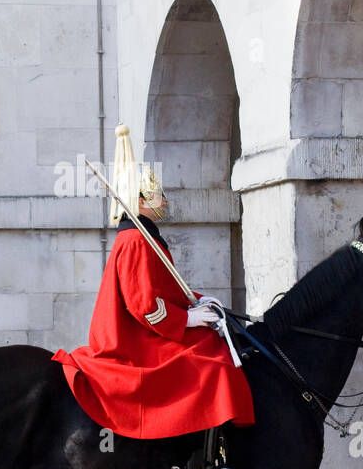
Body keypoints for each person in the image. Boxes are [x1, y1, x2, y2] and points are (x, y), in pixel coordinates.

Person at [51, 124, 254, 441]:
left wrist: (198, 301)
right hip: (135, 338)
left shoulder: (146, 237)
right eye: (158, 193)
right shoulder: (135, 240)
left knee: (216, 345)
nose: (165, 199)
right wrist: (187, 319)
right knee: (214, 366)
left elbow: (165, 291)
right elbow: (144, 306)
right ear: (141, 198)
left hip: (156, 326)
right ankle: (205, 457)